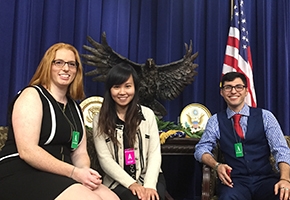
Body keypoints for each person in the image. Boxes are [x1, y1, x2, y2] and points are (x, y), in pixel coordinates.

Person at [0, 43, 119, 200]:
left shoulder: (75, 108)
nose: (66, 68)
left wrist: (84, 171)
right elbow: (27, 151)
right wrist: (74, 173)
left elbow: (79, 152)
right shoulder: (32, 95)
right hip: (22, 172)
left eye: (72, 64)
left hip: (60, 175)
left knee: (112, 198)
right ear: (47, 66)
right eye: (59, 62)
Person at [194, 72, 290, 200]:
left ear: (246, 91)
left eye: (238, 87)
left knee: (288, 197)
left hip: (265, 180)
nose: (233, 91)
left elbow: (281, 150)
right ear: (222, 92)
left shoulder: (266, 116)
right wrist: (217, 165)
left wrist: (285, 179)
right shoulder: (215, 120)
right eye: (228, 87)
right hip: (235, 182)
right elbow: (201, 149)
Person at [92, 63, 166, 200]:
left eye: (127, 86)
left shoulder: (147, 115)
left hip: (148, 176)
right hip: (117, 181)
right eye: (116, 87)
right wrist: (131, 184)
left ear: (135, 88)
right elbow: (104, 159)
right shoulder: (99, 119)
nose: (122, 92)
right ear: (109, 90)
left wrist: (149, 185)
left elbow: (155, 153)